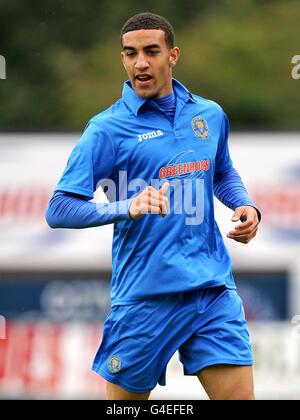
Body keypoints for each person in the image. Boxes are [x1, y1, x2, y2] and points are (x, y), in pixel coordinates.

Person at [46, 12, 261, 400]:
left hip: (212, 291)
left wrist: (245, 205)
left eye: (151, 51)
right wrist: (125, 206)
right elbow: (59, 208)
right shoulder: (106, 129)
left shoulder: (209, 115)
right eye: (130, 54)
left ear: (173, 55)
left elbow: (222, 172)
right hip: (145, 298)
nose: (140, 63)